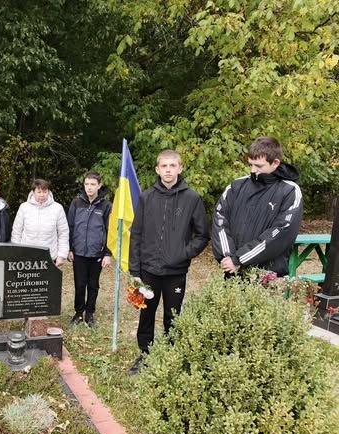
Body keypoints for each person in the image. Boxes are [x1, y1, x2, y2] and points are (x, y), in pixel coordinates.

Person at [128, 150, 209, 374]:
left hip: (175, 272)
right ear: (157, 169)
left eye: (173, 166)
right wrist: (135, 270)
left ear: (180, 168)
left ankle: (170, 356)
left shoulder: (191, 198)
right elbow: (136, 234)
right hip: (148, 270)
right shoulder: (146, 197)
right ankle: (145, 355)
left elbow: (202, 235)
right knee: (146, 314)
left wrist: (183, 253)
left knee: (172, 315)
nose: (168, 170)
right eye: (164, 166)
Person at [212, 136, 303, 277]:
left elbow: (281, 231)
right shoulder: (236, 186)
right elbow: (220, 218)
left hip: (267, 276)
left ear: (275, 163)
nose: (253, 170)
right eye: (251, 164)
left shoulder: (289, 191)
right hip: (232, 271)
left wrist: (239, 259)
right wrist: (228, 256)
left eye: (259, 166)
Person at [67, 171, 112, 327]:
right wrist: (69, 248)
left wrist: (107, 253)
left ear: (99, 185)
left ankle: (90, 313)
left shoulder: (106, 206)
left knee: (93, 285)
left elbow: (110, 230)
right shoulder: (76, 203)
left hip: (96, 253)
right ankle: (78, 313)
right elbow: (70, 227)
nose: (89, 188)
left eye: (93, 184)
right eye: (86, 184)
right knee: (79, 284)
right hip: (79, 252)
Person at [11, 179, 69, 267]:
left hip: (49, 257)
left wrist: (61, 255)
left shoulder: (58, 208)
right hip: (26, 258)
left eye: (45, 192)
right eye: (39, 192)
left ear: (48, 192)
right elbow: (16, 232)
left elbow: (63, 233)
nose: (42, 195)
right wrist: (17, 253)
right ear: (33, 192)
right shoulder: (24, 207)